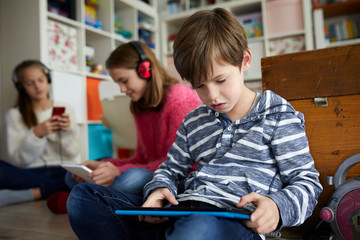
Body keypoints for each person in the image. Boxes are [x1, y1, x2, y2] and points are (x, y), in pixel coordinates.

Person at [67, 8, 323, 240]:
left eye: (221, 80)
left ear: (245, 60)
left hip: (233, 222)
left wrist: (277, 207)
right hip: (182, 210)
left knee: (195, 230)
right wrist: (158, 191)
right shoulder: (194, 121)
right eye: (199, 85)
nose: (211, 96)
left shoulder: (277, 114)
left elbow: (307, 182)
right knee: (83, 198)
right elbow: (170, 169)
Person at [68, 41, 202, 196]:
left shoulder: (180, 98)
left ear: (145, 70)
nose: (122, 90)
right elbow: (141, 159)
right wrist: (103, 165)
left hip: (179, 175)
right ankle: (101, 197)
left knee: (128, 181)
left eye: (124, 81)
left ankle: (93, 198)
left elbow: (178, 164)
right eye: (118, 83)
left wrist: (118, 171)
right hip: (155, 172)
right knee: (74, 177)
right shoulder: (140, 106)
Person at [0, 60, 80, 208]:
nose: (37, 86)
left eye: (41, 80)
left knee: (98, 166)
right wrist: (36, 134)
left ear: (47, 79)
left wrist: (68, 132)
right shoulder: (14, 115)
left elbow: (73, 152)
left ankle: (37, 192)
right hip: (30, 174)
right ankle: (58, 189)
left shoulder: (66, 108)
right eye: (30, 83)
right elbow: (20, 161)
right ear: (21, 87)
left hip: (62, 170)